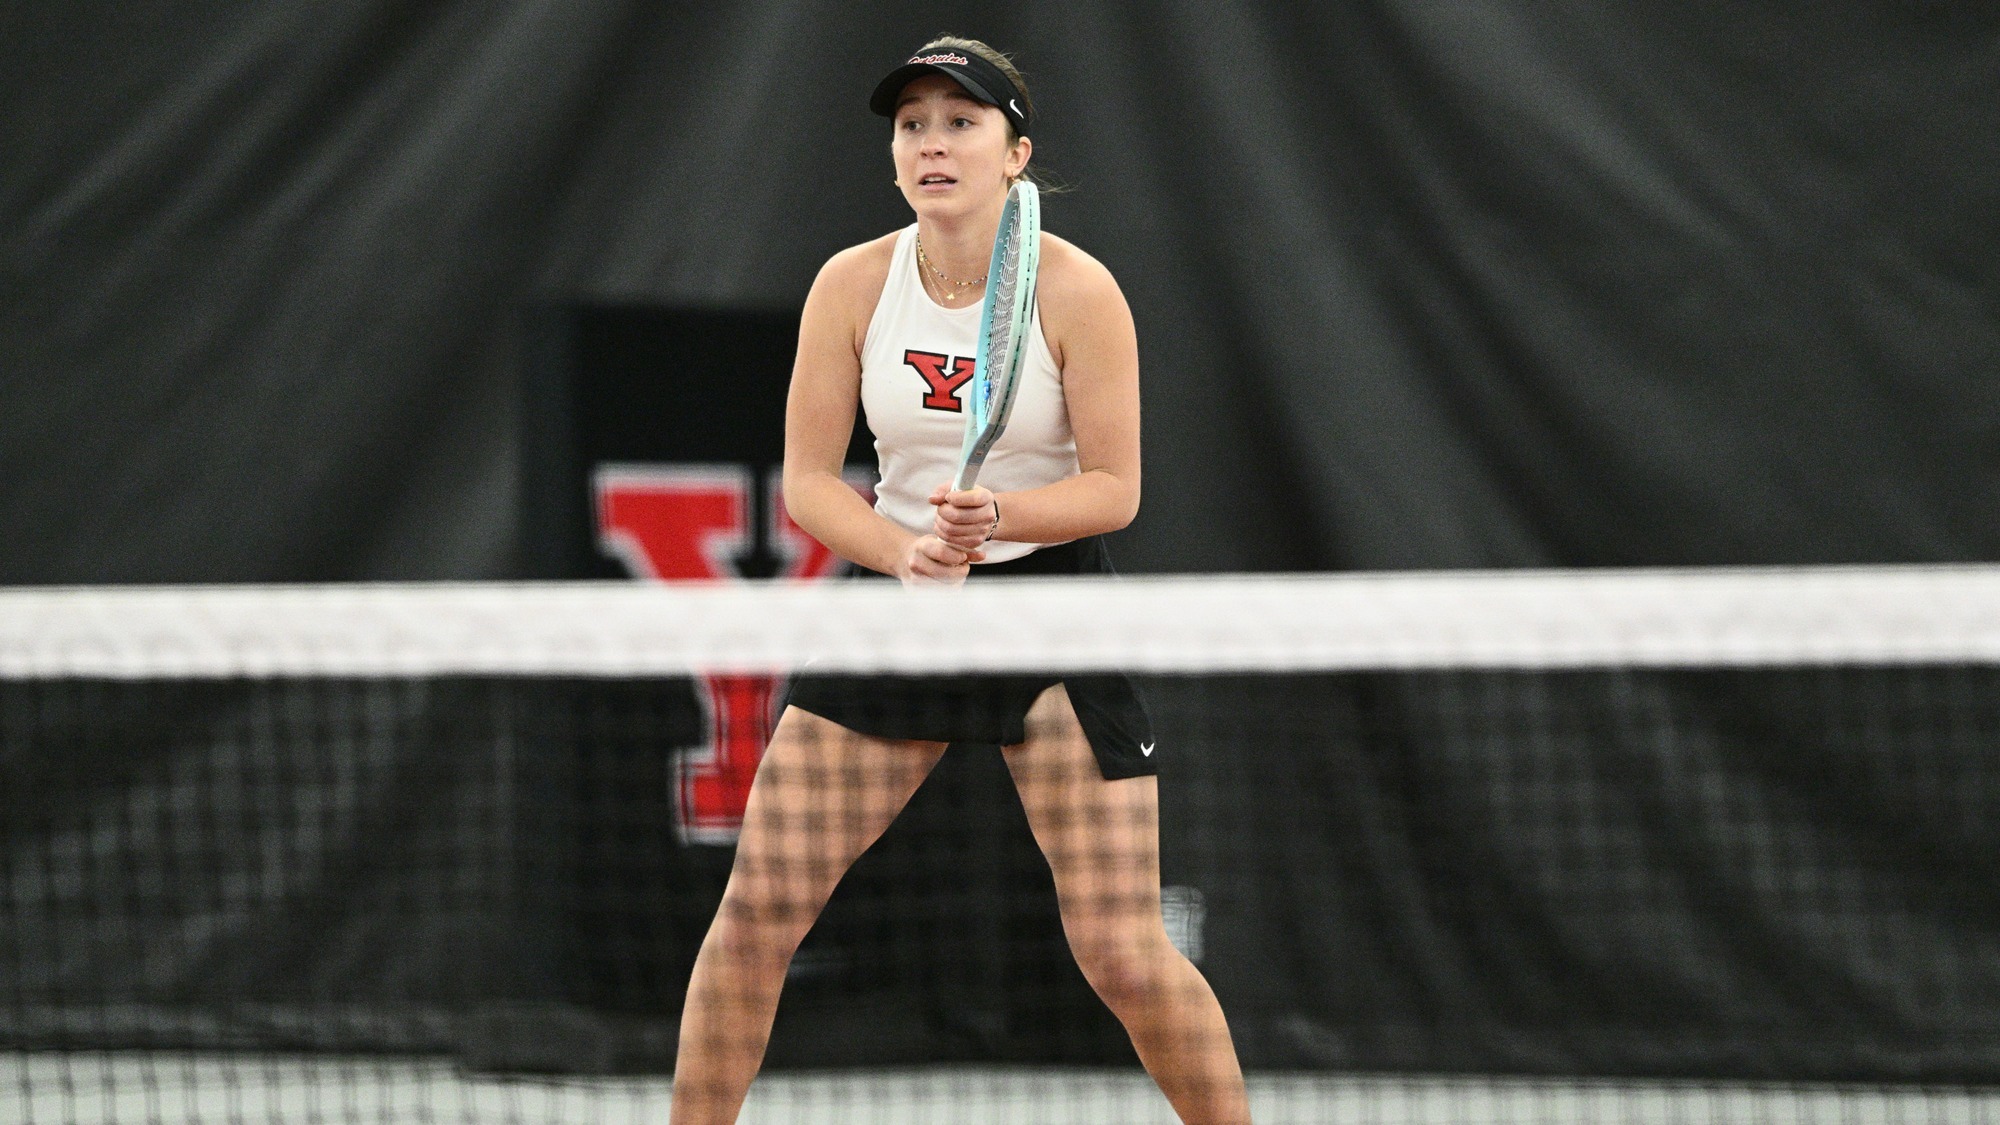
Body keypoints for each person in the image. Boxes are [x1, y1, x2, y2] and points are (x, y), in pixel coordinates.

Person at [669, 36, 1252, 1125]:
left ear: (1014, 152)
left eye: (961, 122)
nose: (932, 143)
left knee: (1123, 954)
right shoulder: (850, 285)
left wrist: (1003, 519)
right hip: (898, 612)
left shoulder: (1080, 292)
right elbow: (807, 480)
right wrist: (900, 552)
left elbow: (1115, 487)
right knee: (751, 923)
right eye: (912, 125)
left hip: (1047, 614)